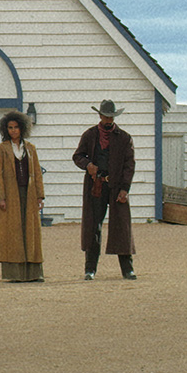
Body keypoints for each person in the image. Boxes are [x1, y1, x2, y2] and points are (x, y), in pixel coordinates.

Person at [72, 99, 137, 280]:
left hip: (117, 187)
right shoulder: (89, 135)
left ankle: (127, 269)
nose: (108, 120)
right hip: (96, 187)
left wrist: (125, 188)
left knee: (121, 226)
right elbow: (77, 156)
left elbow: (129, 165)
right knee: (93, 226)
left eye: (111, 117)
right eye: (105, 116)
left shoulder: (125, 138)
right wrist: (88, 165)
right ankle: (90, 269)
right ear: (100, 116)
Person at [0, 110, 45, 282]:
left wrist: (39, 196)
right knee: (13, 232)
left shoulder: (30, 148)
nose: (13, 130)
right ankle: (14, 274)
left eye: (16, 127)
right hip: (11, 195)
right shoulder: (1, 149)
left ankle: (34, 273)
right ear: (5, 129)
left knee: (31, 231)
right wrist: (1, 197)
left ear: (22, 128)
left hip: (28, 195)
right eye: (10, 127)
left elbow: (37, 173)